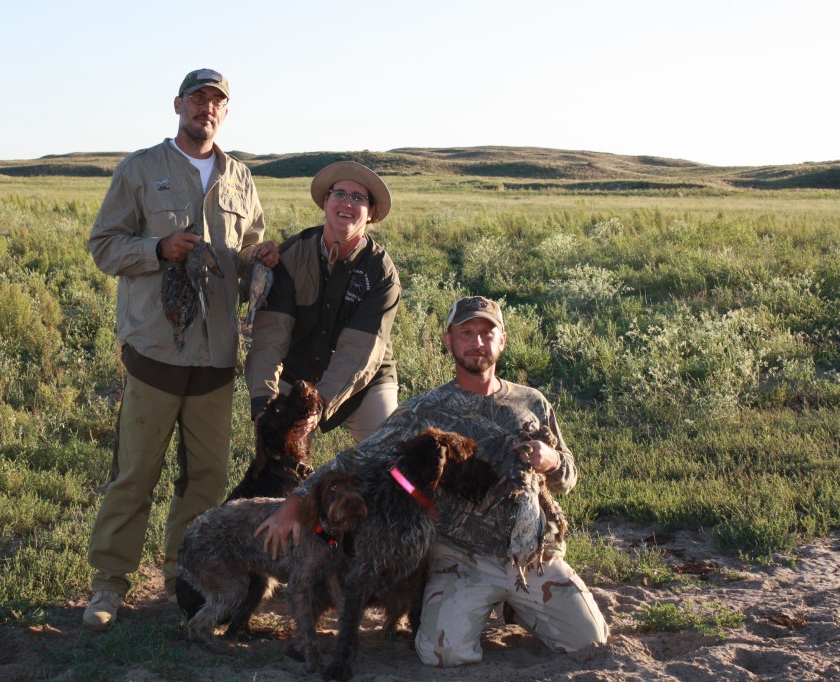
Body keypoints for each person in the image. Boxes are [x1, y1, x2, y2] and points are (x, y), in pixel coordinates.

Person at [256, 296, 608, 665]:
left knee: (590, 641)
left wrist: (552, 461)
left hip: (532, 555)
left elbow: (567, 479)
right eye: (466, 333)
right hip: (462, 558)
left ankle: (520, 605)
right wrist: (294, 501)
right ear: (448, 340)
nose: (477, 342)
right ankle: (485, 600)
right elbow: (353, 460)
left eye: (487, 333)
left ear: (502, 341)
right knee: (443, 654)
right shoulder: (423, 411)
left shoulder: (533, 402)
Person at [84, 68, 278, 630]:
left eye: (217, 101)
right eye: (198, 98)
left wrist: (260, 257)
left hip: (217, 358)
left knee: (206, 481)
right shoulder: (141, 169)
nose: (206, 108)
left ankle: (185, 580)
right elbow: (104, 247)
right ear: (178, 105)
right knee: (134, 475)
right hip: (155, 354)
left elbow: (245, 250)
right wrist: (158, 248)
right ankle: (108, 585)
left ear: (224, 112)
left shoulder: (240, 177)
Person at [245, 161, 400, 443]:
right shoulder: (292, 254)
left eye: (358, 197)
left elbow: (360, 351)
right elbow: (270, 336)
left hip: (364, 381)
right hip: (295, 375)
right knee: (276, 451)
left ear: (371, 213)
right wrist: (264, 400)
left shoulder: (380, 272)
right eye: (339, 193)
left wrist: (319, 404)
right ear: (326, 202)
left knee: (387, 451)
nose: (347, 203)